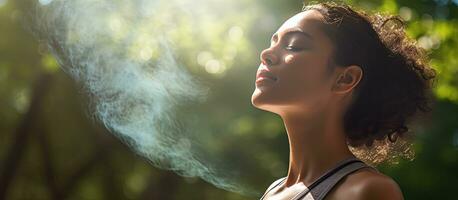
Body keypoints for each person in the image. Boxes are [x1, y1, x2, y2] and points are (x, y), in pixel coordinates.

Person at [251, 2, 436, 200]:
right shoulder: (272, 192)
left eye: (294, 46)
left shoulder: (368, 191)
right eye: (273, 43)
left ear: (344, 79)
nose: (266, 54)